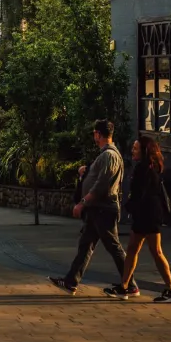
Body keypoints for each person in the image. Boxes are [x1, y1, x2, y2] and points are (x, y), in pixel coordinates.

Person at [49, 120, 138, 296]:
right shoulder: (105, 155)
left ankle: (130, 284)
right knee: (85, 245)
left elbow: (102, 184)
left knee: (114, 247)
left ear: (98, 134)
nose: (93, 136)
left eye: (94, 133)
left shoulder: (109, 155)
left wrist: (83, 202)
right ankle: (70, 282)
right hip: (97, 209)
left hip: (104, 209)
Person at [104, 137, 171, 303]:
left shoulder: (144, 169)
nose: (133, 151)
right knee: (135, 249)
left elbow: (141, 193)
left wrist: (129, 207)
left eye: (136, 148)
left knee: (154, 251)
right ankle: (125, 286)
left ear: (144, 151)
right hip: (149, 214)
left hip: (147, 215)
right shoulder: (150, 167)